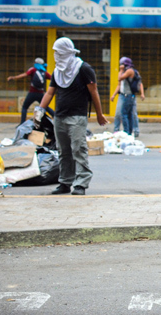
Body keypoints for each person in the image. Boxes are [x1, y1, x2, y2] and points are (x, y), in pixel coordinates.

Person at [37, 37, 108, 196]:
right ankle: (65, 182)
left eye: (58, 52)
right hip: (59, 117)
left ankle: (81, 184)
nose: (56, 55)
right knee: (63, 151)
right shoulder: (58, 71)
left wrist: (99, 114)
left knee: (78, 149)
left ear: (66, 51)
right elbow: (50, 92)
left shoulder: (83, 68)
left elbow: (94, 92)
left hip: (77, 116)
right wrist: (40, 110)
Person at [7, 58, 54, 124]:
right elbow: (53, 78)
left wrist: (13, 77)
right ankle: (55, 116)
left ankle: (22, 123)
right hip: (40, 94)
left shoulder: (33, 70)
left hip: (32, 93)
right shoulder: (44, 72)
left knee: (25, 107)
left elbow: (24, 75)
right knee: (45, 107)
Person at [110, 57, 145, 137]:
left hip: (129, 96)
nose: (121, 66)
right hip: (122, 95)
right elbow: (119, 85)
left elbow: (119, 78)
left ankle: (130, 132)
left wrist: (142, 93)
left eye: (122, 64)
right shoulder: (126, 72)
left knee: (128, 114)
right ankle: (118, 130)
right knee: (119, 114)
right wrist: (114, 95)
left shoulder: (129, 71)